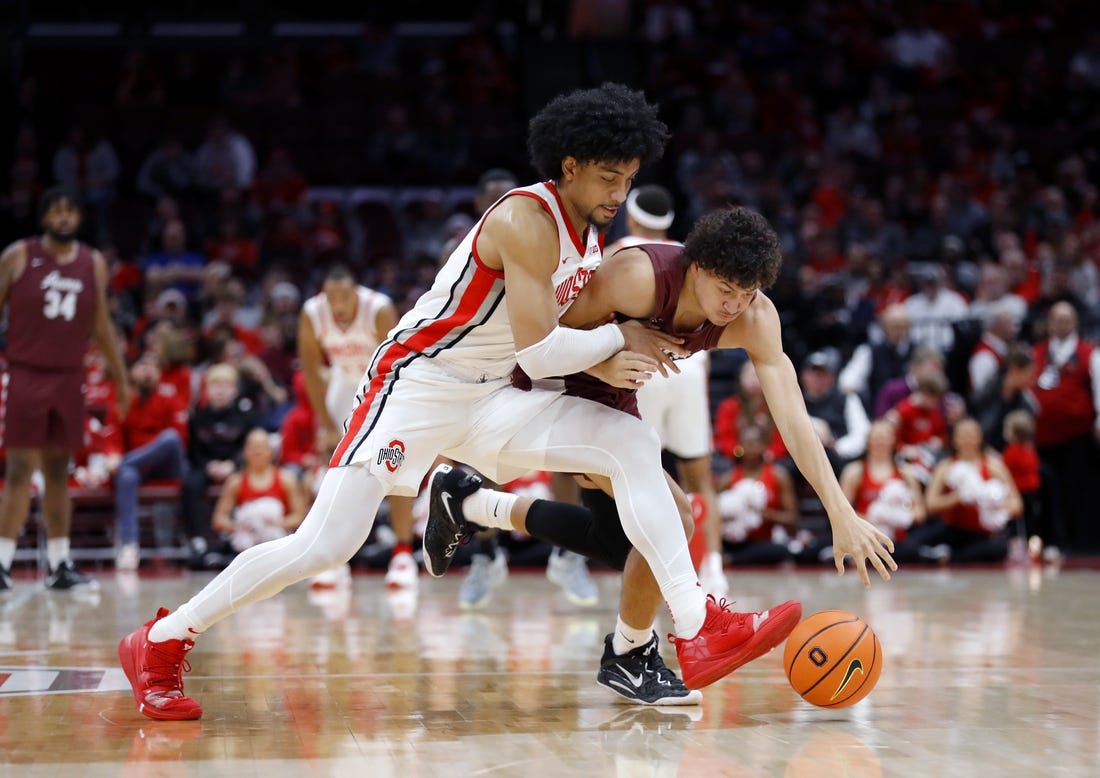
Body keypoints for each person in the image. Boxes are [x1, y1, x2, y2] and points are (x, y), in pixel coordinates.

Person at [117, 83, 821, 721]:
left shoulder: (592, 228)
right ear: (569, 164)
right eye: (609, 177)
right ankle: (160, 640)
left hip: (493, 397)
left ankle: (696, 627)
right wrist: (622, 334)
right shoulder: (526, 219)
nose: (618, 192)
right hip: (414, 389)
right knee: (325, 545)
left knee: (632, 445)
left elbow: (537, 359)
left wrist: (616, 345)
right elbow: (542, 350)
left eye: (629, 179)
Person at [424, 206, 897, 704]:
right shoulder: (636, 277)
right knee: (672, 521)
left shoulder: (757, 318)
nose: (734, 306)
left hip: (617, 403)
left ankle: (471, 503)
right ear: (696, 268)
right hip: (549, 391)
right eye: (725, 291)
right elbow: (542, 343)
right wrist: (607, 358)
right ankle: (637, 651)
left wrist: (839, 511)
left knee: (625, 545)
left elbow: (794, 420)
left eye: (747, 293)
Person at [0, 185, 131, 591]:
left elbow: (101, 327)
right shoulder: (18, 256)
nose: (62, 218)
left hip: (69, 376)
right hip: (25, 372)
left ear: (78, 217)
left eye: (69, 211)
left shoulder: (92, 263)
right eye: (55, 211)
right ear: (44, 218)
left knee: (60, 471)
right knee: (20, 468)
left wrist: (120, 379)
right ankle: (2, 564)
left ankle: (59, 565)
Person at [605, 184, 728, 597]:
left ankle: (653, 571)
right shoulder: (689, 256)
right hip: (692, 369)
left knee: (645, 475)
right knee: (698, 476)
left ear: (632, 217)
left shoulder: (621, 251)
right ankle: (713, 566)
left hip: (648, 368)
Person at [297, 264, 418, 590]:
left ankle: (403, 553)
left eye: (344, 295)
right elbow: (311, 371)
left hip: (382, 388)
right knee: (332, 470)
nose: (337, 303)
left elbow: (397, 364)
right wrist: (324, 422)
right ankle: (335, 560)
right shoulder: (312, 312)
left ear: (356, 293)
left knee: (394, 464)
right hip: (342, 387)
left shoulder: (378, 308)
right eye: (331, 295)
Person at [915, 418, 1022, 564]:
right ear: (954, 439)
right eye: (963, 435)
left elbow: (1016, 504)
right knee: (912, 543)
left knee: (999, 548)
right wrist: (958, 497)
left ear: (980, 437)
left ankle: (950, 556)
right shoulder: (945, 467)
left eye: (971, 435)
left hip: (982, 533)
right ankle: (945, 554)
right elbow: (930, 504)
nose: (967, 440)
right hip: (952, 528)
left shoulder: (994, 466)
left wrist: (994, 504)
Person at [208, 429, 308, 562]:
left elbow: (300, 516)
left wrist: (276, 524)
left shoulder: (286, 479)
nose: (257, 451)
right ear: (245, 452)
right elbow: (219, 519)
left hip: (276, 544)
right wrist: (238, 525)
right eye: (253, 447)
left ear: (270, 451)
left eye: (261, 447)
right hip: (247, 545)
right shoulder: (235, 482)